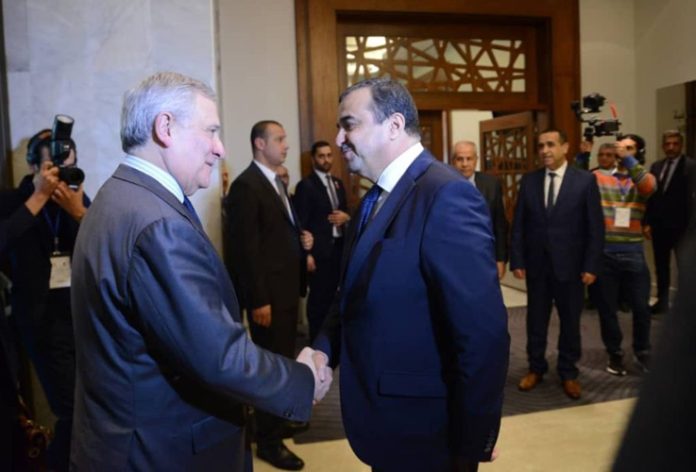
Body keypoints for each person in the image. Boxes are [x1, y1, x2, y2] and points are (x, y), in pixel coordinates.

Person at [70, 72, 328, 471]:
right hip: (161, 450)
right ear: (165, 127)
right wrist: (303, 378)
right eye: (211, 131)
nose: (220, 148)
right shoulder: (158, 223)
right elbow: (218, 356)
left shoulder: (119, 195)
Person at [313, 78, 510, 472]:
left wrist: (473, 438)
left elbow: (482, 334)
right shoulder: (373, 198)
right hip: (388, 424)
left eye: (349, 125)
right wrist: (322, 348)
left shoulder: (446, 195)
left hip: (431, 434)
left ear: (393, 125)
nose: (338, 139)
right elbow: (353, 289)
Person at [224, 120, 315, 470]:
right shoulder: (247, 186)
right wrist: (258, 299)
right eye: (279, 139)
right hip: (268, 299)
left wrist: (303, 240)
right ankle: (268, 440)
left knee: (283, 361)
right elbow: (245, 251)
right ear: (260, 144)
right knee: (269, 367)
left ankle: (279, 420)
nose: (286, 145)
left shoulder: (276, 181)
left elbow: (278, 232)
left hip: (287, 291)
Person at [0, 129, 89, 471]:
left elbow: (102, 247)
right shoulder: (13, 201)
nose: (61, 174)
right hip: (41, 321)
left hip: (80, 316)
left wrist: (78, 211)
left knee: (89, 407)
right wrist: (38, 198)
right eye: (54, 167)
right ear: (34, 166)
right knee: (71, 409)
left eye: (69, 165)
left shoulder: (75, 196)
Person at [510, 128, 604, 400]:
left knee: (571, 322)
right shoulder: (529, 181)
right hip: (537, 267)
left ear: (565, 147)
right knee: (535, 321)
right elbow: (519, 224)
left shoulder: (584, 181)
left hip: (571, 268)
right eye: (541, 146)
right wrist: (518, 259)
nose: (545, 151)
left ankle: (568, 372)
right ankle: (535, 368)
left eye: (551, 144)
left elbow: (595, 228)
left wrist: (591, 265)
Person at [591, 137, 656, 376]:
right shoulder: (599, 177)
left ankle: (642, 350)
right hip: (605, 253)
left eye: (629, 148)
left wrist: (628, 159)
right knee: (607, 309)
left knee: (641, 308)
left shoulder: (643, 179)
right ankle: (615, 354)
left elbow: (649, 187)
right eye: (620, 147)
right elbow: (575, 183)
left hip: (633, 253)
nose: (621, 151)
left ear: (638, 152)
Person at [293, 140, 350, 341]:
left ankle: (333, 342)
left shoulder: (338, 183)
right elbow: (301, 223)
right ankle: (316, 343)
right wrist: (307, 254)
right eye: (321, 156)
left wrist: (346, 217)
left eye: (329, 155)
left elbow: (345, 211)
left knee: (336, 299)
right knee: (319, 301)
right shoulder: (306, 186)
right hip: (319, 253)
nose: (326, 160)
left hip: (339, 249)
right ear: (313, 159)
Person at [644, 130, 696, 314]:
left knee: (685, 266)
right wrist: (647, 222)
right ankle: (662, 301)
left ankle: (685, 305)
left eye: (675, 144)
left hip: (683, 227)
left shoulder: (691, 166)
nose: (671, 147)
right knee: (661, 266)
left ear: (681, 145)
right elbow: (652, 197)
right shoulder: (656, 166)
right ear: (663, 146)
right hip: (660, 225)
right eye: (667, 144)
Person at [451, 140, 508, 279]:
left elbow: (499, 225)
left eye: (469, 158)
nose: (465, 164)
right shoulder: (442, 184)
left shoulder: (491, 184)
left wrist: (500, 259)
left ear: (476, 160)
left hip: (485, 255)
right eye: (460, 159)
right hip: (453, 257)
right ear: (453, 161)